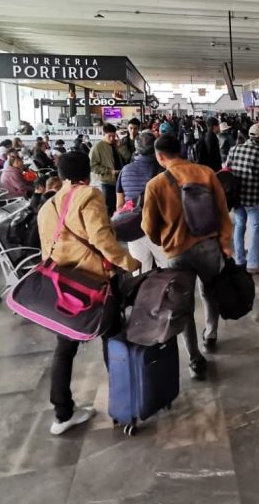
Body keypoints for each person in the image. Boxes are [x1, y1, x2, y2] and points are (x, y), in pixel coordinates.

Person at [38, 152, 140, 435]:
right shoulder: (89, 196)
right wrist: (127, 262)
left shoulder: (48, 206)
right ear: (88, 173)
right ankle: (123, 409)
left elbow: (46, 249)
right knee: (113, 340)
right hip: (96, 284)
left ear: (60, 176)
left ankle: (61, 414)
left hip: (65, 287)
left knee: (65, 348)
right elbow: (101, 237)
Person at [142, 133, 233, 380]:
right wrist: (225, 243)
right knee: (209, 291)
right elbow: (223, 210)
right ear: (181, 150)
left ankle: (194, 358)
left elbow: (148, 227)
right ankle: (211, 334)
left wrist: (165, 242)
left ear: (160, 157)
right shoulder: (205, 173)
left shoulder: (155, 185)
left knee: (182, 307)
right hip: (208, 246)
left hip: (177, 251)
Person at [227, 123, 259, 273]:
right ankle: (253, 264)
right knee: (255, 228)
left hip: (237, 197)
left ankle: (239, 259)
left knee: (239, 226)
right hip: (254, 198)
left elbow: (227, 168)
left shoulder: (235, 149)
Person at [117, 131, 165, 271]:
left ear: (136, 149)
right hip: (159, 229)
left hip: (134, 230)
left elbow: (120, 205)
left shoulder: (125, 171)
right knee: (167, 273)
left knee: (140, 275)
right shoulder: (164, 171)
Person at [89, 123, 124, 215]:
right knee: (109, 207)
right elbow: (92, 166)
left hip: (119, 180)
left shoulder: (116, 145)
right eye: (109, 136)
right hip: (107, 182)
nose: (112, 138)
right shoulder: (97, 148)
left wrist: (121, 147)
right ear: (103, 135)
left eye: (114, 136)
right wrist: (109, 171)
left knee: (120, 206)